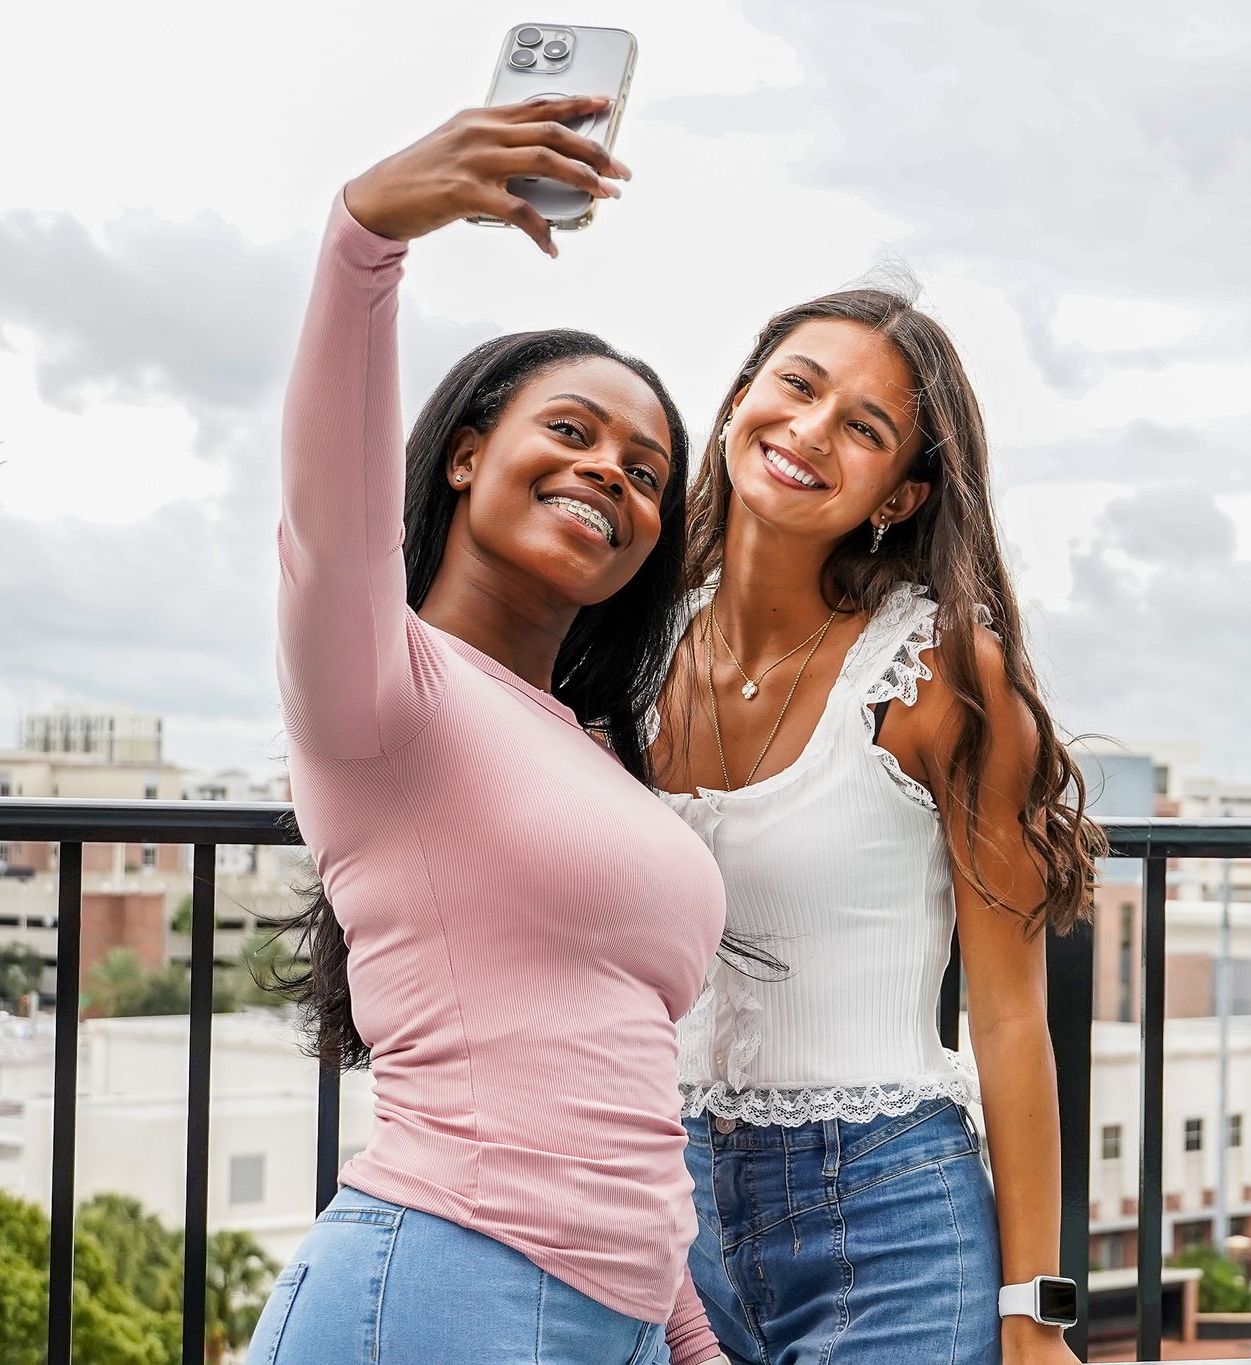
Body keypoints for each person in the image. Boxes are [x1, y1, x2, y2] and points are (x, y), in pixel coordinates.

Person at [252, 97, 728, 1365]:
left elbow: (614, 1076)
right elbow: (326, 520)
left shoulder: (589, 751)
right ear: (467, 457)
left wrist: (681, 1335)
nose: (608, 474)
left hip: (614, 1318)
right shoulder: (384, 690)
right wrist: (367, 237)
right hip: (439, 1294)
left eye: (643, 471)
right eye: (569, 432)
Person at [649, 286, 1104, 1363]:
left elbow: (1005, 1020)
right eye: (796, 386)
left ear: (898, 494)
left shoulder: (940, 676)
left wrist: (1033, 1316)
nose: (810, 431)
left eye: (863, 427)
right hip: (657, 1213)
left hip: (889, 1213)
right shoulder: (624, 643)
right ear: (739, 401)